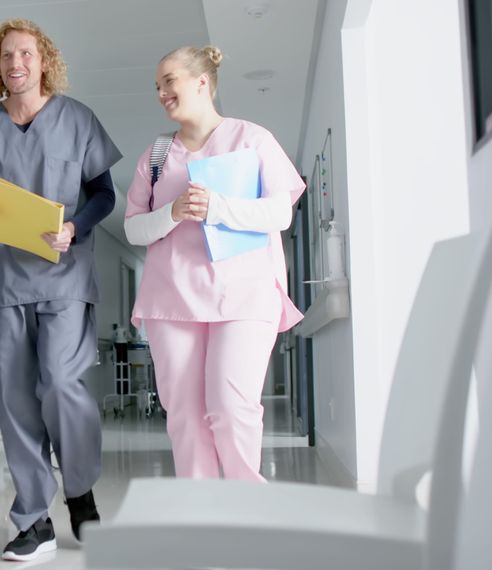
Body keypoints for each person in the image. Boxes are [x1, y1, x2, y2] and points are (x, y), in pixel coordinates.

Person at [0, 18, 122, 562]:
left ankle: (79, 489)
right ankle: (33, 519)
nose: (14, 64)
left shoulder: (77, 120)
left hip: (65, 277)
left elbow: (102, 192)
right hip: (6, 283)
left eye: (24, 53)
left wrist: (76, 226)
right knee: (17, 403)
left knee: (62, 386)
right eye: (5, 56)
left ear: (43, 59)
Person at [124, 46, 306, 481]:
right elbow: (133, 230)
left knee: (231, 405)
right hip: (174, 299)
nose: (162, 93)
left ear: (202, 82)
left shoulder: (253, 139)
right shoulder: (156, 155)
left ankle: (247, 511)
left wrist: (219, 208)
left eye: (170, 81)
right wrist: (173, 213)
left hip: (244, 294)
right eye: (157, 87)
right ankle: (200, 514)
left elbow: (280, 214)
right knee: (184, 414)